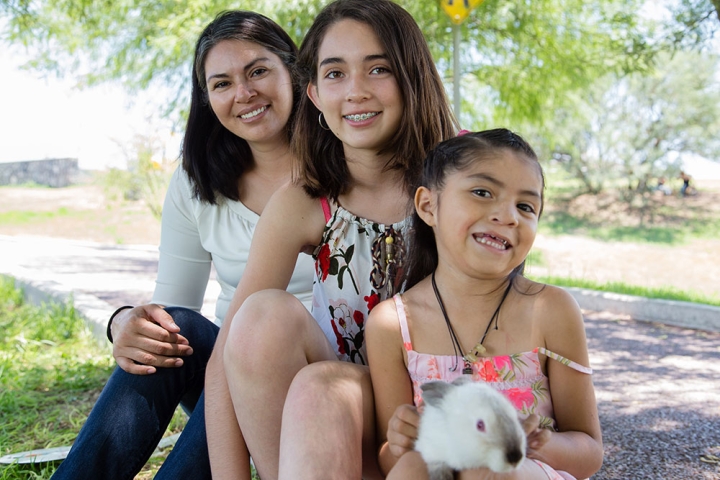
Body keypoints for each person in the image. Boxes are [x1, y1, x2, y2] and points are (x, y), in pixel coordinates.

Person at [51, 10, 314, 480]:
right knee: (180, 328)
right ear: (207, 98)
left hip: (320, 372)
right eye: (222, 83)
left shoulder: (342, 162)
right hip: (228, 365)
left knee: (252, 349)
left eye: (258, 71)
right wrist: (123, 326)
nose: (244, 93)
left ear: (293, 72)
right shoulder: (198, 182)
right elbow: (174, 304)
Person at [203, 1, 457, 478]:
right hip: (345, 414)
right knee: (260, 320)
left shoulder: (465, 172)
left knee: (321, 387)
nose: (356, 92)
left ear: (412, 75)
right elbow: (225, 360)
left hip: (450, 404)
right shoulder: (307, 198)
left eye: (378, 68)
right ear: (315, 95)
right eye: (336, 74)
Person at [366, 129, 604, 480]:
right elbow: (390, 460)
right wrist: (399, 444)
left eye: (526, 206)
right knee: (412, 468)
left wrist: (534, 443)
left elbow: (589, 452)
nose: (508, 216)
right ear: (428, 206)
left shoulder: (551, 310)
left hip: (524, 472)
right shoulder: (392, 324)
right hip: (439, 471)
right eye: (482, 192)